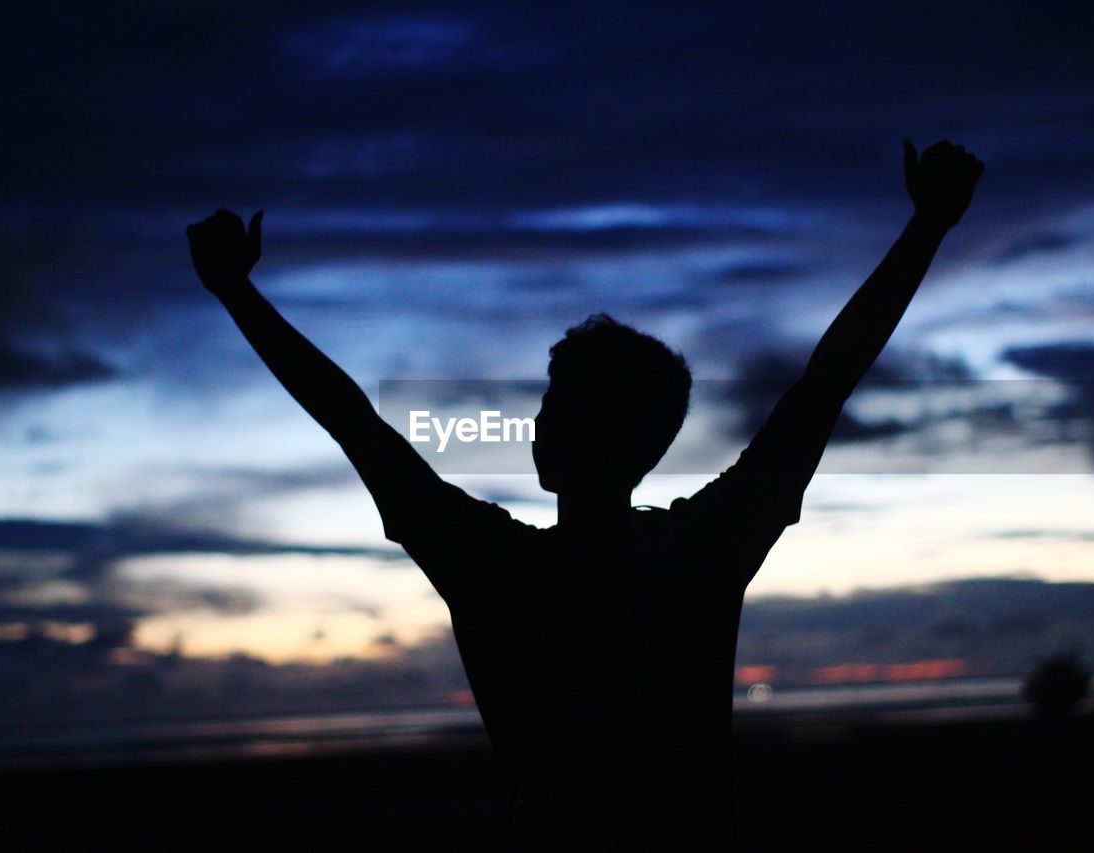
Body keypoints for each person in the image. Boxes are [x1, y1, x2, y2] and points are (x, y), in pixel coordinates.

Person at [187, 139, 983, 850]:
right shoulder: (702, 547)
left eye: (550, 405)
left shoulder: (493, 561)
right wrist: (927, 228)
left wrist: (237, 293)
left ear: (566, 435)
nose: (534, 425)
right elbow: (822, 385)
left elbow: (353, 420)